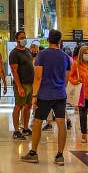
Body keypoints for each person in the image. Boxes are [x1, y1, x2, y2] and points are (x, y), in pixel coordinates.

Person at [21, 29, 70, 165]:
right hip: (60, 93)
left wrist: (34, 95)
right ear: (60, 41)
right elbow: (66, 78)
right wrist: (61, 88)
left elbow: (38, 77)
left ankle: (33, 153)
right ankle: (60, 155)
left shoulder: (42, 55)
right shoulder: (65, 57)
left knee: (37, 122)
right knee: (61, 123)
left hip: (44, 94)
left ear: (48, 40)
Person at [9, 31, 34, 140]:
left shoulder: (27, 51)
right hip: (21, 84)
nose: (24, 39)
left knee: (28, 106)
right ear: (17, 40)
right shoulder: (14, 53)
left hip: (30, 83)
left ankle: (25, 127)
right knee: (18, 106)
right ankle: (16, 130)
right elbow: (14, 71)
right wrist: (19, 86)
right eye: (22, 38)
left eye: (25, 37)